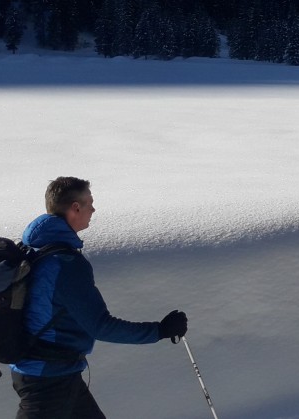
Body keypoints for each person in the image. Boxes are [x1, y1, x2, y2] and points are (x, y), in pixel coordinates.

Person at [10, 177, 188, 419]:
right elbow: (101, 326)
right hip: (47, 380)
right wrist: (160, 331)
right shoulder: (65, 263)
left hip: (54, 372)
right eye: (89, 203)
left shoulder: (34, 248)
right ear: (75, 208)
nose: (93, 209)